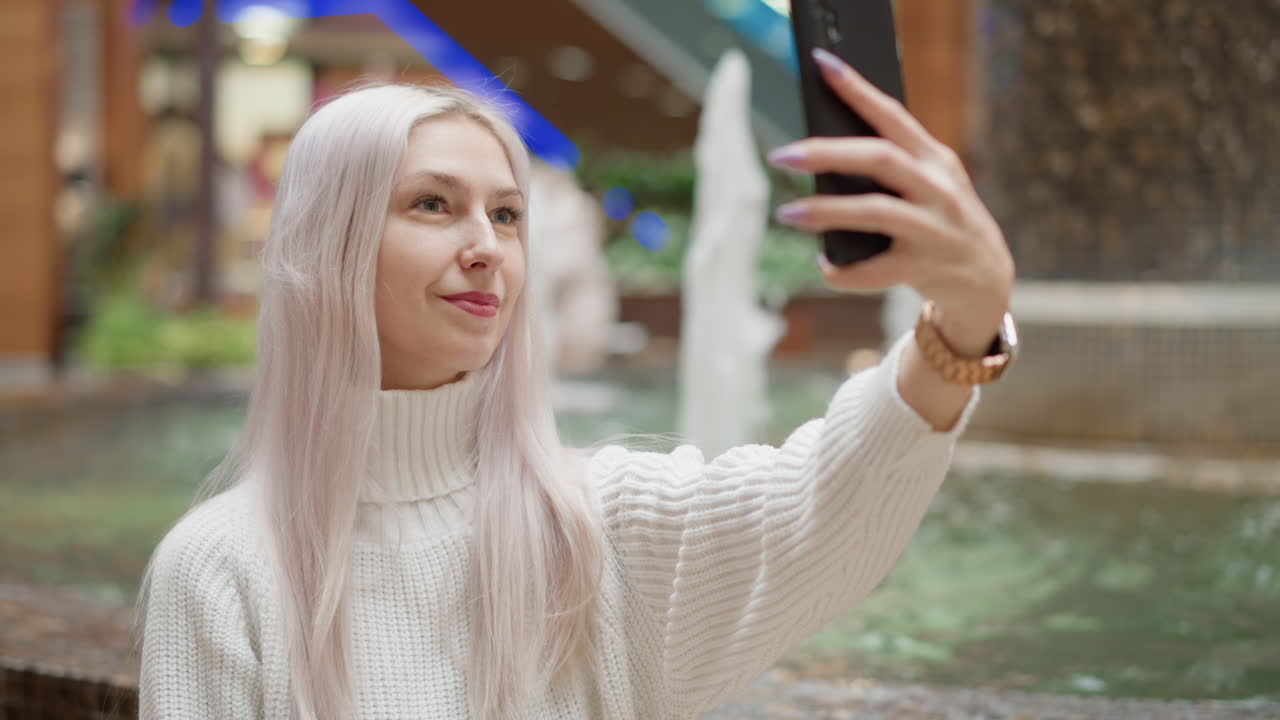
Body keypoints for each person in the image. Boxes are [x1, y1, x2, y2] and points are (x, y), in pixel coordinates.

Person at [136, 47, 1015, 720]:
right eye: (433, 205)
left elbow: (820, 501)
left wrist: (960, 324)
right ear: (329, 246)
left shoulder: (595, 525)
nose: (487, 244)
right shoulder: (218, 571)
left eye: (507, 214)